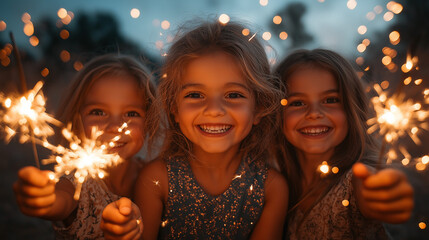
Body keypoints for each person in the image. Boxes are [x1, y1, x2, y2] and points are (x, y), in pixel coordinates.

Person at [103, 20, 289, 239]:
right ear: (174, 108)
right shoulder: (156, 180)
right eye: (195, 95)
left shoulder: (271, 188)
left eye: (234, 95)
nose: (213, 110)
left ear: (258, 108)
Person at [273, 49, 415, 239]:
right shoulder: (276, 184)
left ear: (352, 110)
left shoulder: (355, 183)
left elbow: (369, 189)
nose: (314, 113)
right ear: (275, 113)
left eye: (331, 100)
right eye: (297, 103)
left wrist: (383, 195)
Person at [13, 54, 156, 239]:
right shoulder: (78, 184)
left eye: (131, 113)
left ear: (149, 121)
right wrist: (44, 199)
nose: (114, 126)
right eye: (98, 112)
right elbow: (61, 200)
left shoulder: (154, 175)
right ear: (75, 120)